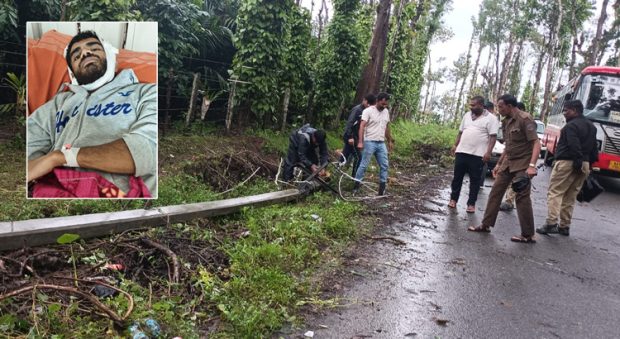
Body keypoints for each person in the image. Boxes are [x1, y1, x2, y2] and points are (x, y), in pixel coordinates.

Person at [27, 30, 157, 198]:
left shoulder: (146, 93)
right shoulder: (56, 105)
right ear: (72, 72)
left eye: (94, 48)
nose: (85, 53)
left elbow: (146, 151)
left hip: (116, 194)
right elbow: (27, 152)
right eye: (76, 55)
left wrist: (61, 156)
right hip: (53, 189)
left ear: (110, 57)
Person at [468, 94, 541, 243]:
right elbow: (508, 146)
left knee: (521, 196)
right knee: (495, 192)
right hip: (509, 162)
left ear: (509, 106)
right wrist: (499, 164)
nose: (499, 109)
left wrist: (532, 166)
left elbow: (536, 143)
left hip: (523, 163)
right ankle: (486, 224)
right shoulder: (506, 122)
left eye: (501, 106)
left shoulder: (525, 119)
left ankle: (528, 234)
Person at [536, 100, 598, 236]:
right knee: (571, 195)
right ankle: (564, 226)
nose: (564, 113)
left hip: (568, 162)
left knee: (555, 192)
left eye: (566, 110)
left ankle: (551, 223)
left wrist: (577, 161)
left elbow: (573, 145)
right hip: (585, 164)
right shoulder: (592, 127)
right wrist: (588, 164)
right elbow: (594, 149)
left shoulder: (571, 126)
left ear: (575, 111)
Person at [448, 96, 499, 213]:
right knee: (457, 178)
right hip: (462, 151)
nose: (471, 107)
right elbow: (460, 132)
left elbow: (493, 137)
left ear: (481, 105)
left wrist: (488, 152)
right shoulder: (467, 115)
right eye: (470, 105)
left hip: (478, 155)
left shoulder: (491, 119)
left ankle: (471, 204)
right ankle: (453, 199)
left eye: (474, 105)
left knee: (475, 180)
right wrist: (455, 145)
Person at [353, 92, 394, 196]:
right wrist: (361, 142)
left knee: (384, 165)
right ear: (378, 101)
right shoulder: (368, 111)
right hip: (369, 141)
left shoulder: (386, 112)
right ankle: (356, 187)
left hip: (381, 143)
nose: (384, 106)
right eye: (382, 104)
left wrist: (389, 140)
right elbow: (362, 126)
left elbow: (386, 127)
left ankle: (381, 190)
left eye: (386, 104)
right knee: (364, 165)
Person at [499, 101, 527, 211]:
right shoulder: (508, 122)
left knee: (517, 181)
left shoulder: (525, 121)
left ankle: (509, 201)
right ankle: (509, 200)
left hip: (522, 160)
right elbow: (507, 144)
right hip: (510, 157)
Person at [340, 94, 375, 176]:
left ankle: (338, 171)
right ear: (365, 100)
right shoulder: (357, 110)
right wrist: (350, 137)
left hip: (355, 137)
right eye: (368, 104)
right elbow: (350, 123)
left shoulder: (365, 111)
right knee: (359, 157)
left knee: (345, 154)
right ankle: (355, 177)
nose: (369, 106)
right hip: (351, 138)